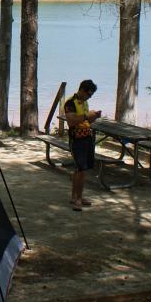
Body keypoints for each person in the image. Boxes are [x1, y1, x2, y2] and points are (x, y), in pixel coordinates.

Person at [64, 79, 102, 211]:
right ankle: (78, 199)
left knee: (81, 169)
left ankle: (76, 196)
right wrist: (86, 116)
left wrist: (94, 116)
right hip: (76, 139)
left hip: (87, 137)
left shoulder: (85, 102)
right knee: (81, 169)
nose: (89, 97)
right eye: (88, 94)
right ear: (82, 90)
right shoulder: (70, 102)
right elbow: (71, 121)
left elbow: (87, 122)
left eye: (91, 95)